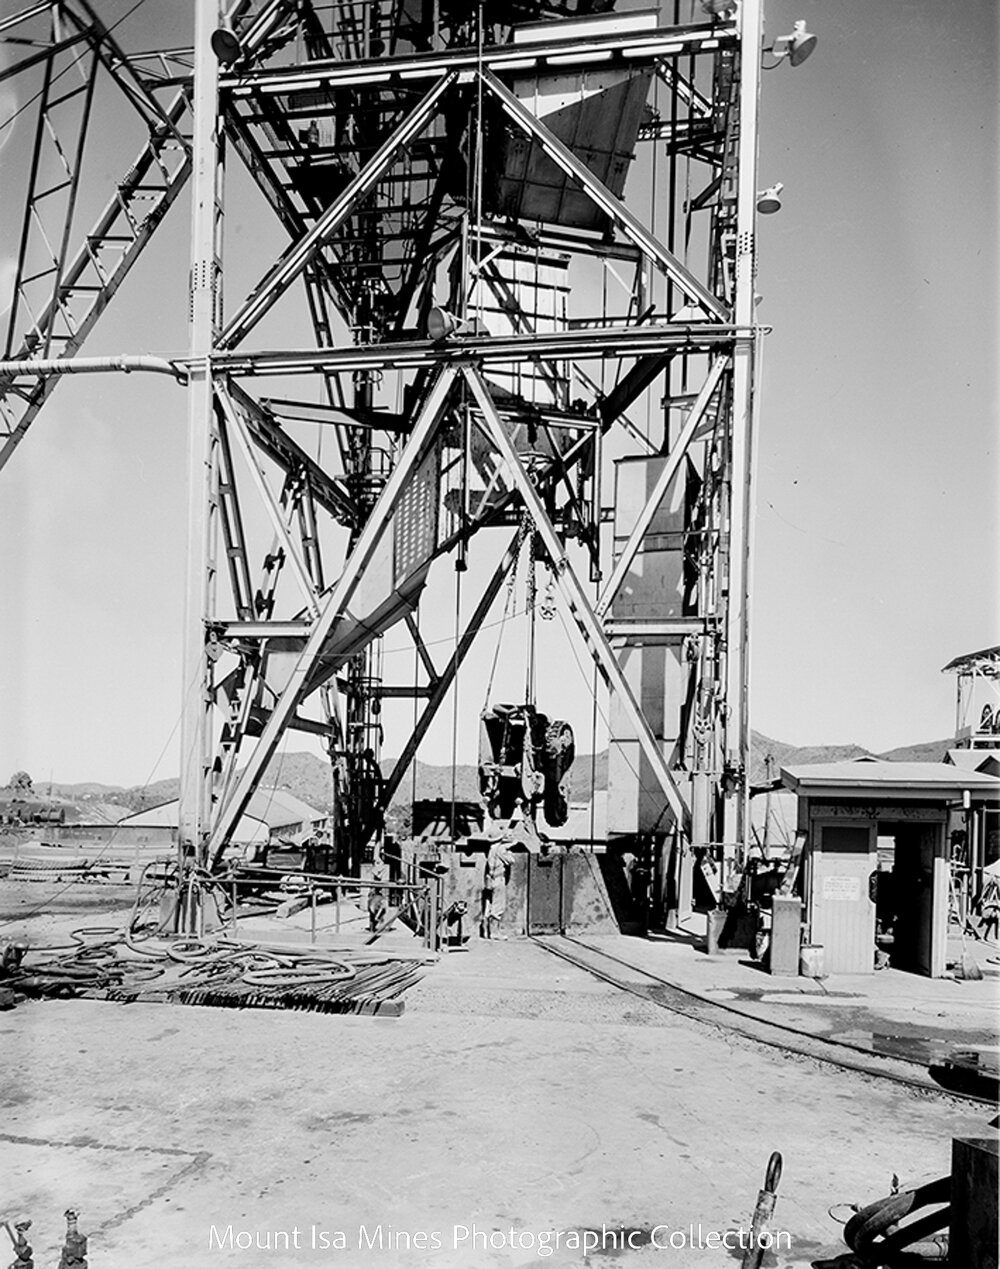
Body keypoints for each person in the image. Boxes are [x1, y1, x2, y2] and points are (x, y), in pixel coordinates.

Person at [481, 842, 513, 939]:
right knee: (498, 906)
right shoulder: (501, 849)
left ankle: (486, 931)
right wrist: (510, 851)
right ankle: (494, 933)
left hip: (490, 880)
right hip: (499, 879)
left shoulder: (492, 848)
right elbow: (511, 861)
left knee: (489, 905)